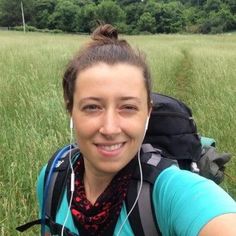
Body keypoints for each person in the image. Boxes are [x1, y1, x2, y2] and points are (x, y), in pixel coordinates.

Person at [37, 24, 236, 236]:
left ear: (148, 113)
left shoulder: (171, 192)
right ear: (70, 110)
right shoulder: (53, 178)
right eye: (92, 107)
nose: (110, 128)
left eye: (128, 107)